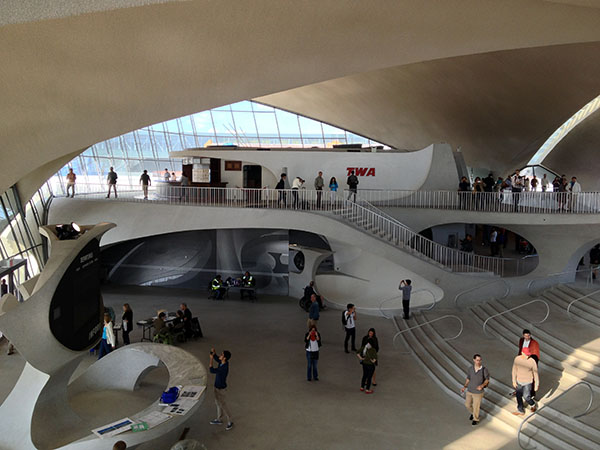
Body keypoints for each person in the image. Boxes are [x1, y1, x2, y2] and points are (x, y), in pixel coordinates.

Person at [460, 354, 490, 425]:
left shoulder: (484, 370)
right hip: (470, 390)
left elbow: (487, 380)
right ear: (474, 360)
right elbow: (468, 378)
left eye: (480, 360)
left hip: (478, 392)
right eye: (477, 360)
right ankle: (473, 413)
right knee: (467, 404)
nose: (479, 362)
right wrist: (465, 386)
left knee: (476, 406)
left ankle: (475, 419)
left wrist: (482, 386)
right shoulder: (470, 369)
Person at [209, 348, 234, 430]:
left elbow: (211, 370)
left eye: (222, 355)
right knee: (217, 403)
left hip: (221, 389)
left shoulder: (223, 368)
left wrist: (211, 359)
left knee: (223, 405)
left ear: (225, 358)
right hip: (216, 387)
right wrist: (214, 354)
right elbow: (217, 358)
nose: (220, 355)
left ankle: (230, 421)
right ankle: (219, 419)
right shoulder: (223, 362)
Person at [511, 346, 539, 415]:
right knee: (518, 396)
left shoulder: (532, 361)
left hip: (528, 382)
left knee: (526, 396)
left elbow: (535, 373)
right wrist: (514, 381)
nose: (527, 356)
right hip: (519, 381)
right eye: (526, 354)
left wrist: (536, 384)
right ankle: (520, 410)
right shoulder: (517, 359)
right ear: (522, 353)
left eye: (528, 354)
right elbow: (514, 370)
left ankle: (532, 404)